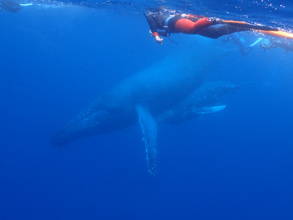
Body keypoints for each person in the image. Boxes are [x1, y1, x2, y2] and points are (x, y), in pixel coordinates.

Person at [144, 7, 293, 44]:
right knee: (214, 35)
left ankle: (214, 19)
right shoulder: (156, 15)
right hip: (178, 23)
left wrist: (156, 36)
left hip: (175, 21)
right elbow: (164, 31)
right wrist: (159, 34)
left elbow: (152, 24)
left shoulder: (150, 14)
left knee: (192, 29)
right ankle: (246, 26)